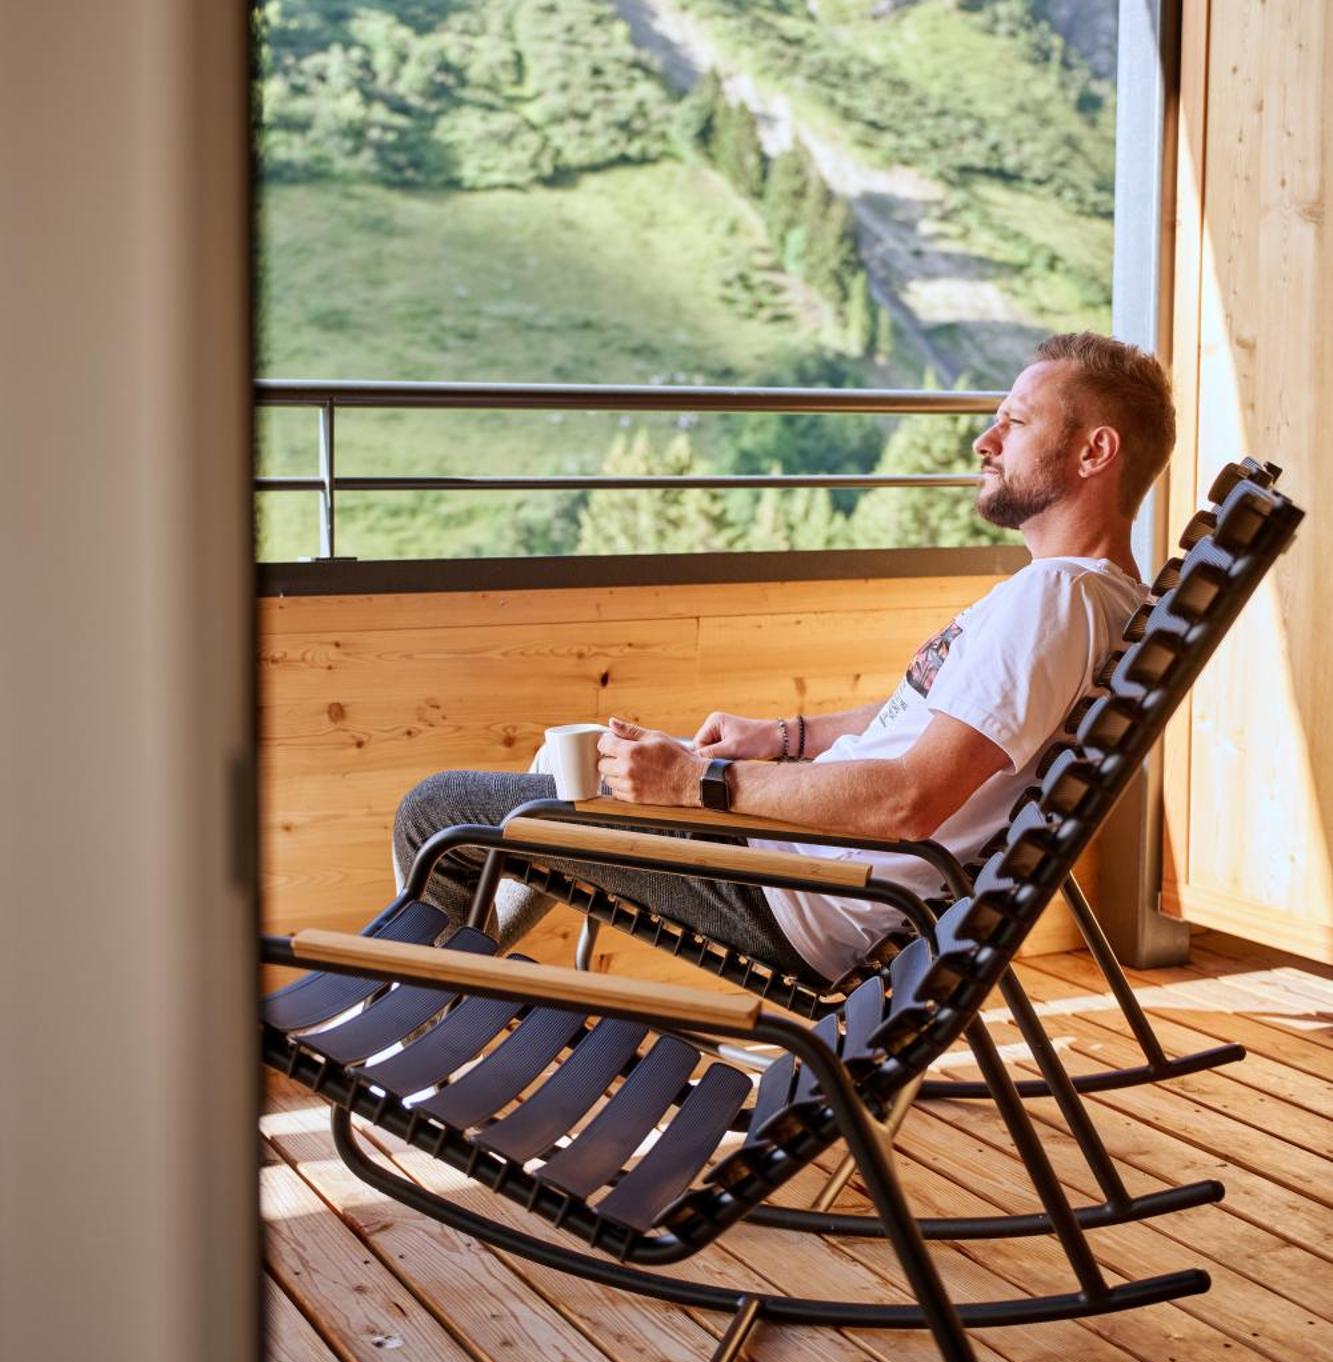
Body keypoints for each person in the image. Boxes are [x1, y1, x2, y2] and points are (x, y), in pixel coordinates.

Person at [392, 331, 1174, 987]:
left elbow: (908, 801)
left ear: (1092, 451)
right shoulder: (1088, 600)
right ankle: (458, 994)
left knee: (442, 809)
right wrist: (783, 737)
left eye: (1015, 421)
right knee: (559, 778)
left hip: (809, 890)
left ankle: (428, 1011)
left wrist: (694, 782)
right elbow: (946, 719)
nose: (984, 440)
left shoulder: (1054, 601)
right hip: (810, 861)